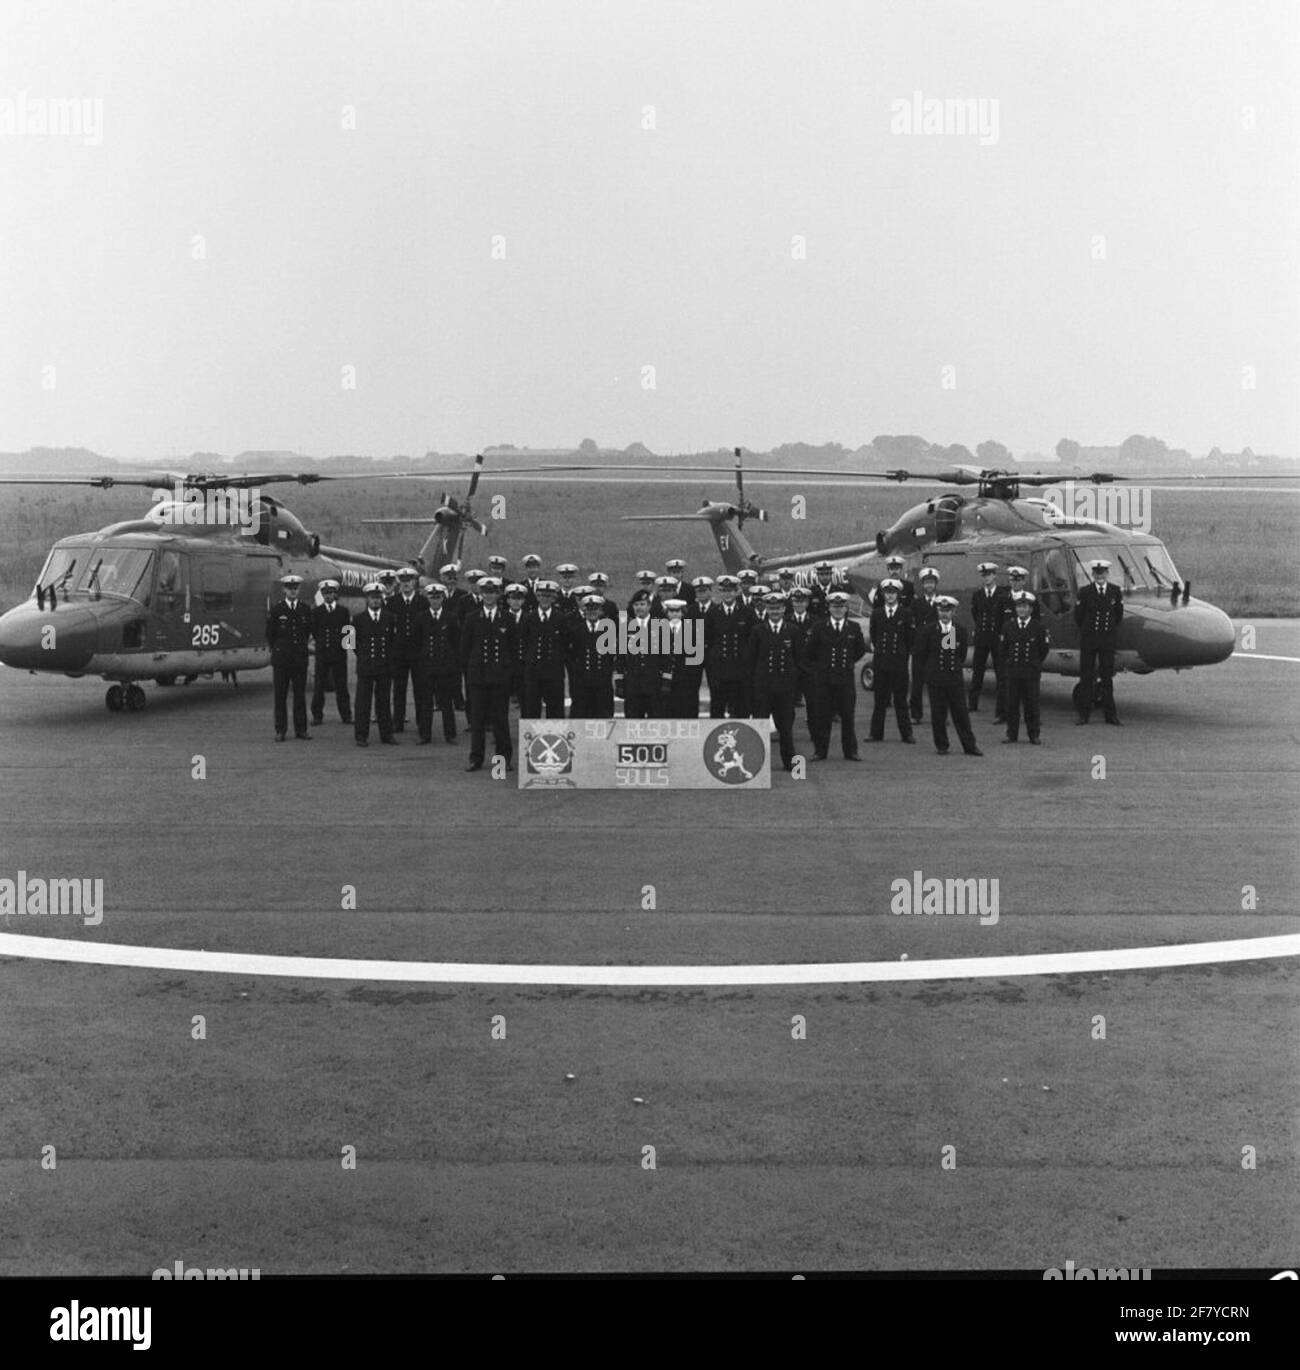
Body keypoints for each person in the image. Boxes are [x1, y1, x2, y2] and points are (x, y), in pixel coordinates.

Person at [914, 595, 982, 756]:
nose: (944, 614)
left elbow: (960, 655)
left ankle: (969, 746)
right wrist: (930, 673)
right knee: (938, 715)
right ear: (937, 611)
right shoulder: (929, 631)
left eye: (948, 611)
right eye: (941, 610)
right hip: (936, 679)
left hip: (953, 679)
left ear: (953, 611)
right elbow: (920, 655)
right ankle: (942, 745)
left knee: (961, 715)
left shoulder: (958, 631)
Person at [461, 578, 516, 771]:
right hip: (478, 677)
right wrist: (469, 674)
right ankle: (476, 759)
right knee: (477, 721)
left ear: (498, 594)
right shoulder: (472, 617)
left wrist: (508, 674)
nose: (489, 596)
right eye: (486, 592)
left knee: (500, 721)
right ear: (481, 594)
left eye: (493, 592)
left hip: (499, 677)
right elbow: (465, 648)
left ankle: (502, 760)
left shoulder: (507, 618)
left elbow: (512, 648)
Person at [803, 591, 866, 761]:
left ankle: (851, 751)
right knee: (823, 717)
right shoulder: (819, 627)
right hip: (825, 679)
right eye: (834, 607)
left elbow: (860, 650)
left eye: (841, 607)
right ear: (829, 608)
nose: (838, 610)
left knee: (848, 717)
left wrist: (848, 663)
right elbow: (809, 651)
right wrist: (821, 666)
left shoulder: (853, 627)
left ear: (846, 609)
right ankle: (820, 751)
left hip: (845, 679)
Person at [749, 591, 801, 770]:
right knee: (760, 726)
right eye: (771, 608)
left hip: (785, 688)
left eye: (778, 608)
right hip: (763, 687)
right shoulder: (757, 631)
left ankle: (791, 764)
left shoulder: (793, 631)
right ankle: (758, 763)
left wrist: (794, 684)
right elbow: (752, 658)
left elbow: (798, 659)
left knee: (785, 728)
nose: (775, 612)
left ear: (784, 609)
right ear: (766, 609)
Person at [1074, 558, 1124, 725]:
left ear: (1107, 574)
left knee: (1107, 678)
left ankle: (1110, 715)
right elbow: (1079, 617)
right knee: (1086, 677)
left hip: (1106, 640)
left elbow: (1118, 615)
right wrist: (1090, 631)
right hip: (1089, 639)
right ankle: (1084, 715)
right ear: (1093, 574)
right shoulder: (1085, 592)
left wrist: (1107, 631)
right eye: (1097, 573)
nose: (1100, 576)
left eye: (1102, 573)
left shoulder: (1115, 591)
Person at [266, 573, 313, 741]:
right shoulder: (277, 610)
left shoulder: (305, 609)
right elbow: (270, 635)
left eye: (295, 588)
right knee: (280, 696)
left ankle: (301, 730)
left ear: (299, 589)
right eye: (290, 588)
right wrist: (279, 650)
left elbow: (307, 632)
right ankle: (281, 730)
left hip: (299, 659)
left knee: (300, 695)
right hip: (282, 660)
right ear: (284, 589)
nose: (293, 591)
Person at [867, 578, 915, 743]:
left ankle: (907, 734)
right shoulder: (877, 614)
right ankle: (875, 733)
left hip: (898, 663)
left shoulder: (906, 614)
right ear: (883, 595)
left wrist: (903, 654)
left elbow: (910, 639)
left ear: (898, 595)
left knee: (900, 701)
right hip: (881, 662)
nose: (890, 596)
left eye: (893, 593)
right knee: (879, 701)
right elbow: (874, 635)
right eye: (887, 593)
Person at [413, 582, 461, 744]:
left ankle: (450, 735)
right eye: (432, 598)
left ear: (443, 598)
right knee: (426, 703)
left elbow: (456, 642)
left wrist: (453, 664)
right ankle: (425, 735)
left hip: (445, 666)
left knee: (446, 703)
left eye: (438, 598)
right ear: (428, 599)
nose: (435, 601)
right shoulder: (421, 618)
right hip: (426, 666)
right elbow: (417, 642)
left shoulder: (451, 617)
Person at [1000, 591, 1050, 744]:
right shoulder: (1008, 626)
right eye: (1019, 607)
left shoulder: (1039, 628)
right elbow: (1003, 648)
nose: (1021, 610)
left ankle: (1033, 734)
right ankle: (1011, 734)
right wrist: (1009, 663)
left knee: (1032, 704)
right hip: (1013, 670)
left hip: (1030, 671)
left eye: (1024, 607)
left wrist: (1034, 663)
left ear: (1031, 609)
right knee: (1012, 704)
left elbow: (1043, 649)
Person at [352, 581, 397, 746]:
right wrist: (363, 655)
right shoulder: (357, 619)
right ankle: (361, 736)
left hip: (384, 666)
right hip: (365, 667)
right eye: (372, 598)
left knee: (384, 702)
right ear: (367, 599)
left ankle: (387, 735)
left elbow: (394, 642)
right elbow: (347, 642)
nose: (376, 601)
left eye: (378, 598)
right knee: (363, 703)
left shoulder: (390, 618)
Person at [703, 575, 753, 718]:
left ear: (737, 592)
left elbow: (751, 640)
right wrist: (711, 664)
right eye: (724, 591)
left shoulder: (747, 612)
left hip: (740, 669)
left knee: (740, 707)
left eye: (731, 591)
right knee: (717, 707)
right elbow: (708, 641)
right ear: (720, 592)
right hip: (719, 669)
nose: (728, 594)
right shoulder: (712, 613)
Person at [968, 561, 1011, 720]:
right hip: (982, 636)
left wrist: (1001, 634)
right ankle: (972, 704)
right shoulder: (978, 595)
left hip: (996, 637)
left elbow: (1005, 617)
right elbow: (976, 613)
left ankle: (1002, 709)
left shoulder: (1002, 595)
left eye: (989, 575)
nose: (986, 578)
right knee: (977, 670)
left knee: (1001, 673)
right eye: (984, 575)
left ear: (994, 576)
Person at [522, 580, 568, 719]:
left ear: (554, 598)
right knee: (531, 709)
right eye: (542, 596)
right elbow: (524, 643)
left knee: (555, 711)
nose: (545, 599)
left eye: (549, 596)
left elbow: (565, 645)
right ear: (537, 597)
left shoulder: (561, 619)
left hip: (554, 672)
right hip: (533, 671)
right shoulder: (528, 618)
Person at [567, 593, 617, 718]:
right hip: (582, 681)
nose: (592, 612)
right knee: (581, 715)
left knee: (603, 715)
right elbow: (571, 656)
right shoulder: (576, 630)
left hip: (602, 681)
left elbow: (612, 656)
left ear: (601, 611)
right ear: (584, 611)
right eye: (589, 609)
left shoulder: (609, 631)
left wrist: (607, 671)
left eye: (595, 609)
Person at [310, 579, 352, 725]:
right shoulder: (316, 612)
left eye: (330, 593)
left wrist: (344, 649)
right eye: (325, 593)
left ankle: (346, 715)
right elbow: (315, 632)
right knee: (319, 687)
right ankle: (317, 716)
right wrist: (322, 645)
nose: (328, 596)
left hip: (339, 654)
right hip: (323, 653)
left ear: (335, 594)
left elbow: (348, 632)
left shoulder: (343, 611)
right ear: (322, 594)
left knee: (342, 686)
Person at [387, 567, 424, 732]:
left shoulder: (423, 602)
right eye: (403, 581)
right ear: (399, 584)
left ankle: (422, 722)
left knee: (420, 689)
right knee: (398, 689)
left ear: (414, 582)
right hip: (399, 653)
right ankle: (398, 721)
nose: (406, 584)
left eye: (409, 581)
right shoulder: (392, 602)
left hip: (418, 653)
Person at [619, 593, 663, 719]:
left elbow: (666, 658)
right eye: (636, 605)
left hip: (654, 684)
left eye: (642, 604)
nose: (639, 608)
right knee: (633, 724)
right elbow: (620, 658)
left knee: (655, 723)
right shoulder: (625, 628)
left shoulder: (660, 627)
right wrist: (619, 683)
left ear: (649, 606)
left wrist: (666, 681)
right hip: (632, 686)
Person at [909, 566, 941, 723]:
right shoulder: (916, 604)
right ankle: (916, 714)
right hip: (920, 649)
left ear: (936, 584)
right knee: (917, 684)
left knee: (939, 685)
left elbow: (950, 625)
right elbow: (911, 626)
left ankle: (940, 715)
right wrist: (912, 647)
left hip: (937, 648)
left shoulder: (943, 603)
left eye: (932, 582)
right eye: (926, 582)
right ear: (923, 585)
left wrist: (949, 647)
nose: (929, 585)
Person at [661, 598, 700, 717]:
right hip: (665, 679)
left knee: (686, 709)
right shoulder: (659, 630)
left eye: (677, 611)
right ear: (666, 613)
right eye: (671, 611)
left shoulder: (692, 631)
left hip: (685, 678)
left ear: (683, 613)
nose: (674, 614)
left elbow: (695, 657)